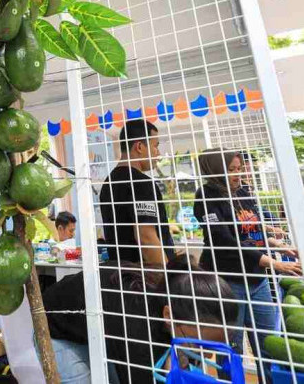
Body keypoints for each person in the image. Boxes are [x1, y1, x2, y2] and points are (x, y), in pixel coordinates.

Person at [193, 148, 301, 383]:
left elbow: (254, 230)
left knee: (268, 344)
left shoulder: (243, 192)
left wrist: (279, 247)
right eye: (231, 170)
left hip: (257, 281)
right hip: (229, 282)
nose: (237, 174)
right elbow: (224, 239)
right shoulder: (206, 197)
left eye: (239, 169)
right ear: (216, 170)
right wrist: (271, 262)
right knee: (231, 349)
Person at [42, 257, 238, 383]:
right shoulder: (138, 330)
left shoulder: (171, 292)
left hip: (104, 324)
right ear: (168, 315)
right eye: (198, 345)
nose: (206, 356)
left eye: (212, 348)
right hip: (57, 328)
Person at [100, 119, 175, 266]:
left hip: (121, 275)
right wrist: (169, 276)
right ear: (140, 146)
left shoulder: (109, 182)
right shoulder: (141, 182)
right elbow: (146, 237)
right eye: (155, 146)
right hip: (147, 276)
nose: (158, 153)